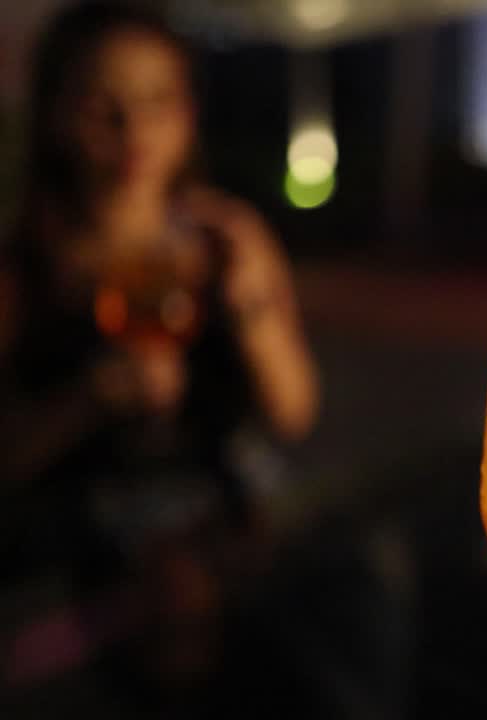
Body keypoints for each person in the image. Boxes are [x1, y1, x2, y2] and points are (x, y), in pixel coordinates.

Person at [0, 2, 318, 710]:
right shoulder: (26, 270)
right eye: (101, 104)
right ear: (55, 113)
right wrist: (91, 399)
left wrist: (251, 308)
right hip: (82, 584)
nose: (133, 129)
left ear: (187, 111)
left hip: (223, 557)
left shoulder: (225, 241)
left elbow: (293, 411)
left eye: (155, 100)